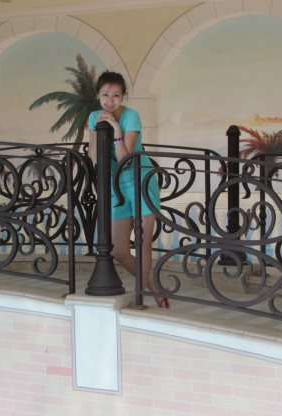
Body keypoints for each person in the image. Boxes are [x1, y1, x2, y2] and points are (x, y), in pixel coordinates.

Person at [87, 71, 167, 308]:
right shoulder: (94, 117)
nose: (110, 101)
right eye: (105, 95)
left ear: (123, 96)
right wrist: (97, 128)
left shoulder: (131, 116)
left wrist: (116, 129)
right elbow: (93, 156)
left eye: (116, 95)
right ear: (98, 95)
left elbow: (125, 159)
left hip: (139, 177)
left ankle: (138, 296)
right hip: (115, 184)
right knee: (119, 250)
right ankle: (157, 290)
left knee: (142, 242)